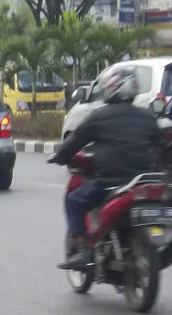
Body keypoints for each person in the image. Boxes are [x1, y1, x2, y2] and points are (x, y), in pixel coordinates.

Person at [49, 66, 161, 270]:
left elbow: (75, 140)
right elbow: (157, 144)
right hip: (144, 180)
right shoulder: (146, 116)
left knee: (73, 201)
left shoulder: (100, 116)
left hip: (111, 181)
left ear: (112, 89)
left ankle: (83, 250)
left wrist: (60, 156)